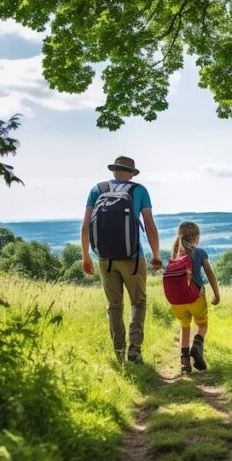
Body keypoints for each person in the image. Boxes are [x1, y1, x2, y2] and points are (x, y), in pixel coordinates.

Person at [81, 156, 162, 364]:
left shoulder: (97, 189)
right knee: (138, 302)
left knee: (114, 305)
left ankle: (118, 351)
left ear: (114, 171)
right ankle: (134, 348)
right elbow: (150, 226)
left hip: (105, 258)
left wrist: (86, 256)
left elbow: (85, 227)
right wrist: (156, 255)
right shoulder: (139, 190)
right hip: (133, 257)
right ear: (131, 173)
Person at [165, 221, 220, 374]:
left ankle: (185, 365)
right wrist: (216, 293)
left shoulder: (175, 254)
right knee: (202, 324)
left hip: (177, 301)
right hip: (196, 297)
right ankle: (197, 346)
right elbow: (210, 273)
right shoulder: (200, 252)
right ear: (196, 237)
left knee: (184, 326)